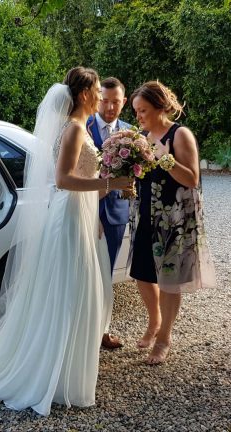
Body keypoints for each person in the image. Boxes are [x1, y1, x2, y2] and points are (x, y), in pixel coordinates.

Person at [0, 67, 134, 416]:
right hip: (69, 213)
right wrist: (110, 186)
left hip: (80, 213)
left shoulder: (78, 128)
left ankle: (69, 366)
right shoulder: (74, 130)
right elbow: (63, 180)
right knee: (69, 292)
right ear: (85, 93)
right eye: (97, 89)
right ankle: (54, 374)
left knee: (77, 291)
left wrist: (97, 208)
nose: (102, 96)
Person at [127, 81, 216, 365]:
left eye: (143, 110)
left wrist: (165, 160)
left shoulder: (180, 134)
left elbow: (192, 178)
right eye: (136, 111)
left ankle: (164, 337)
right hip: (145, 214)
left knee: (169, 280)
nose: (139, 116)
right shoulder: (140, 136)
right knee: (142, 274)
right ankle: (154, 322)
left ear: (159, 107)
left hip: (173, 219)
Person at [86, 77, 132, 350]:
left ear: (123, 102)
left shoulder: (130, 134)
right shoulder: (82, 126)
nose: (110, 106)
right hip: (83, 210)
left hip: (115, 213)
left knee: (106, 276)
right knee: (83, 272)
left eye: (116, 101)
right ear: (97, 98)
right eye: (105, 100)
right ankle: (82, 327)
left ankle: (102, 330)